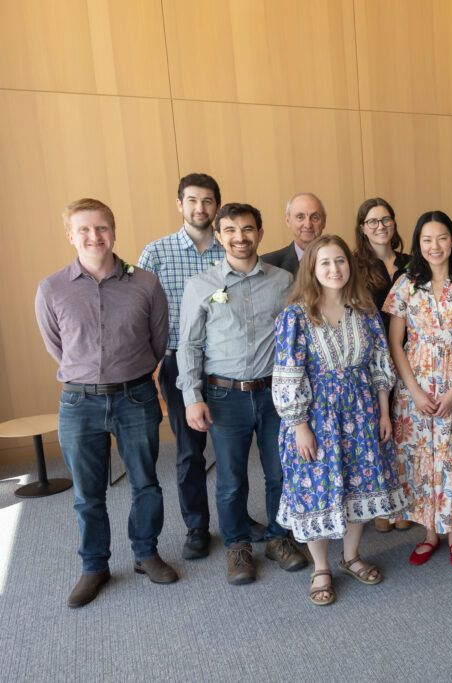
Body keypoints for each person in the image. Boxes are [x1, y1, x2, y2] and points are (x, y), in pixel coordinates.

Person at [35, 198, 177, 607]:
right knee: (87, 492)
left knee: (146, 482)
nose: (94, 237)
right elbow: (57, 347)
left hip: (136, 395)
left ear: (113, 231)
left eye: (101, 228)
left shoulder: (146, 283)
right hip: (79, 402)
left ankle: (146, 553)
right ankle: (94, 566)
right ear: (70, 236)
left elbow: (158, 343)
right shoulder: (52, 288)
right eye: (84, 230)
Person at [273, 235, 407, 605]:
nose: (335, 269)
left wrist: (383, 411)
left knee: (359, 483)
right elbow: (287, 373)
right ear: (312, 271)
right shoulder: (296, 316)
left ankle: (350, 557)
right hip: (315, 418)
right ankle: (321, 567)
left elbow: (381, 363)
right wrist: (299, 425)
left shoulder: (364, 312)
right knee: (315, 488)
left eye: (341, 261)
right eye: (325, 263)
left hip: (362, 412)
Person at [178, 202, 308, 585]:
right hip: (224, 396)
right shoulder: (201, 285)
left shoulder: (283, 281)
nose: (240, 237)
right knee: (232, 479)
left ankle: (278, 537)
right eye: (231, 230)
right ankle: (237, 546)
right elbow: (189, 347)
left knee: (279, 472)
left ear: (260, 233)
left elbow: (298, 338)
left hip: (274, 394)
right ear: (218, 236)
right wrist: (192, 397)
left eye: (248, 229)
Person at [384, 211, 452, 568]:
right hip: (415, 385)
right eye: (427, 239)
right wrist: (414, 391)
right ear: (418, 244)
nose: (435, 246)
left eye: (442, 238)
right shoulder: (405, 284)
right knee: (423, 459)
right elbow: (395, 343)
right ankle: (430, 533)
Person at [137, 173, 225, 559]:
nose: (200, 208)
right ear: (180, 205)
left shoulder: (231, 249)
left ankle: (236, 518)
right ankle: (197, 526)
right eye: (192, 200)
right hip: (176, 365)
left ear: (216, 206)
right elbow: (139, 312)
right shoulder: (156, 253)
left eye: (207, 201)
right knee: (190, 451)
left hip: (227, 366)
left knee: (233, 448)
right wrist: (153, 364)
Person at [352, 197, 412, 532]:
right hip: (371, 361)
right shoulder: (353, 266)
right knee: (377, 431)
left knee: (403, 429)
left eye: (386, 219)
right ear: (362, 228)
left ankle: (402, 502)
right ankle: (382, 505)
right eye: (372, 221)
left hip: (409, 357)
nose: (380, 226)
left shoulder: (410, 263)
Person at [262, 193, 327, 274]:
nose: (308, 225)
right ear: (288, 221)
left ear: (324, 221)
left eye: (314, 217)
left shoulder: (341, 261)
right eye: (300, 217)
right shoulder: (267, 264)